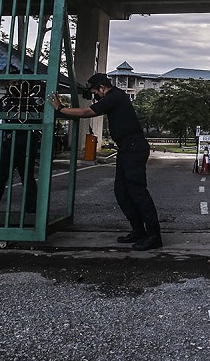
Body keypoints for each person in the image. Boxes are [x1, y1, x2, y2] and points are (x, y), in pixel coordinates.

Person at [48, 72, 162, 251]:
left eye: (96, 93)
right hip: (127, 148)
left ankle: (154, 236)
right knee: (122, 193)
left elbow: (87, 112)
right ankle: (139, 231)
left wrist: (59, 109)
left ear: (102, 88)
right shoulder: (114, 97)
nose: (95, 97)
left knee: (138, 192)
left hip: (134, 148)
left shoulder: (115, 96)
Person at [0, 87, 40, 213]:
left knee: (27, 177)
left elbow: (41, 118)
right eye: (11, 83)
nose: (14, 86)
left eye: (17, 83)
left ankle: (31, 211)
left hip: (26, 142)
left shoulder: (31, 100)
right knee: (0, 177)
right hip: (9, 143)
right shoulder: (5, 100)